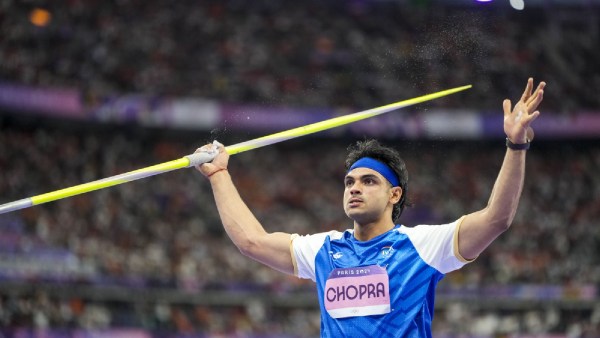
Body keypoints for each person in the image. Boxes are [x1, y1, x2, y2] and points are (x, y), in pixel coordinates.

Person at [195, 78, 546, 337]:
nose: (354, 189)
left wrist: (515, 146)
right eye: (349, 182)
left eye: (368, 181)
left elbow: (496, 218)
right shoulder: (324, 250)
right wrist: (220, 174)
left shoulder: (423, 246)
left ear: (394, 195)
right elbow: (251, 242)